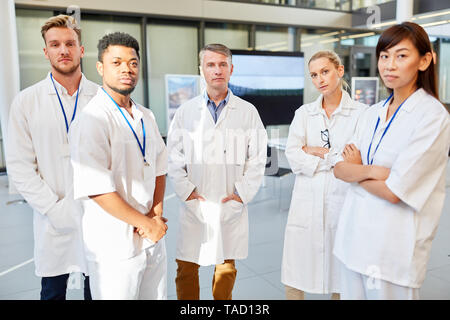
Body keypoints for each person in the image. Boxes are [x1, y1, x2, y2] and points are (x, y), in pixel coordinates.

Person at [333, 22, 450, 300]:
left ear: (424, 61)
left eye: (401, 56)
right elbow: (338, 168)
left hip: (393, 249)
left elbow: (395, 191)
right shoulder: (372, 113)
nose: (389, 65)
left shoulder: (432, 117)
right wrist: (374, 170)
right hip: (353, 240)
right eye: (384, 56)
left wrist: (357, 170)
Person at [69, 32, 168, 300]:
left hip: (150, 236)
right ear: (100, 67)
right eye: (117, 62)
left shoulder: (146, 115)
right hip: (113, 244)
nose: (127, 68)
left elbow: (159, 166)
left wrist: (155, 216)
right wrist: (145, 223)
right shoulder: (92, 119)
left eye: (133, 63)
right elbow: (97, 189)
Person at [6, 15, 98, 300]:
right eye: (55, 44)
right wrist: (56, 210)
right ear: (46, 52)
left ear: (81, 50)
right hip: (51, 219)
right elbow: (20, 167)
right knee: (52, 293)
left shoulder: (102, 98)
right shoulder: (27, 101)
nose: (64, 50)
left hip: (98, 216)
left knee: (97, 290)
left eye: (70, 43)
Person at [167, 43, 267, 300]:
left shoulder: (248, 112)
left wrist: (241, 194)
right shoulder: (186, 112)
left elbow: (257, 160)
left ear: (231, 69)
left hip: (228, 202)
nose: (217, 70)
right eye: (210, 64)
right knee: (186, 269)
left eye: (222, 64)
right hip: (195, 202)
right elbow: (174, 158)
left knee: (225, 269)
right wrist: (187, 194)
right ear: (202, 70)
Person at [280, 50, 367, 300]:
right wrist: (334, 158)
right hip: (305, 206)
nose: (320, 79)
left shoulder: (362, 114)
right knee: (295, 276)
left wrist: (316, 152)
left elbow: (357, 160)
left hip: (343, 202)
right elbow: (293, 156)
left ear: (339, 71)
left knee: (342, 280)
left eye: (325, 71)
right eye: (314, 75)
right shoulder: (304, 114)